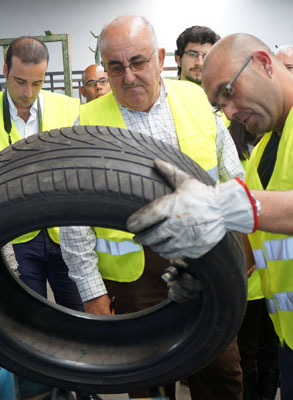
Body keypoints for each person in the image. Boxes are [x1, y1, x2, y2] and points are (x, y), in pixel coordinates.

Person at [60, 15, 245, 400]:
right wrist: (92, 292)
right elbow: (73, 220)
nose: (128, 76)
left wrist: (241, 248)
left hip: (205, 264)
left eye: (139, 61)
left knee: (220, 374)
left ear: (161, 58)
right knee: (146, 382)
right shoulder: (88, 124)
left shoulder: (196, 101)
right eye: (115, 66)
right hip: (133, 283)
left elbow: (233, 177)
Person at [126, 32, 293, 400]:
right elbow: (260, 236)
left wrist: (229, 204)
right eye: (220, 104)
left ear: (265, 64)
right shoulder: (266, 147)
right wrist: (206, 273)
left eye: (228, 92)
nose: (229, 112)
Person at [0, 36, 84, 312]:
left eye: (37, 83)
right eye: (20, 81)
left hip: (66, 233)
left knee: (80, 314)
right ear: (5, 71)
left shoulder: (69, 107)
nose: (28, 92)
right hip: (15, 237)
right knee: (28, 321)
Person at [229, 121, 279, 400]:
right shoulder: (240, 158)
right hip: (249, 273)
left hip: (270, 273)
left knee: (269, 346)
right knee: (247, 348)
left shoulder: (271, 149)